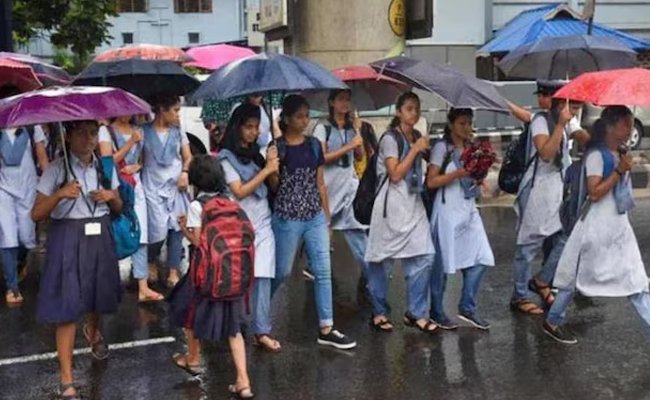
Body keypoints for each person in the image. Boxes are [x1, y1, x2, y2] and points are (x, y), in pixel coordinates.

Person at [543, 106, 650, 345]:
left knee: (634, 281)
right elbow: (594, 192)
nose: (631, 129)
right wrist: (619, 171)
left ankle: (552, 319)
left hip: (617, 226)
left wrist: (623, 165)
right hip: (597, 227)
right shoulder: (596, 155)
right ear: (611, 126)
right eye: (626, 124)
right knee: (576, 276)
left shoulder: (619, 152)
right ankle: (552, 320)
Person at [32, 120, 122, 400]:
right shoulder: (58, 169)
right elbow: (36, 214)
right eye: (82, 133)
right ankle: (67, 378)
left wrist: (111, 197)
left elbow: (119, 207)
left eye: (93, 133)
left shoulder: (105, 167)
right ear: (68, 136)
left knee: (98, 295)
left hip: (100, 235)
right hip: (67, 236)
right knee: (66, 306)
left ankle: (93, 330)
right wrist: (60, 194)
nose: (89, 139)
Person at [270, 94, 357, 349]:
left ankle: (326, 326)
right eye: (299, 116)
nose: (305, 120)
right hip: (287, 217)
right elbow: (274, 185)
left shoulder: (314, 145)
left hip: (314, 216)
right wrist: (272, 168)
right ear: (286, 118)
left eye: (307, 115)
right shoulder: (278, 148)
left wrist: (326, 217)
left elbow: (320, 183)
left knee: (323, 270)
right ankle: (259, 315)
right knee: (282, 271)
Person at [169, 154, 254, 399]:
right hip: (233, 274)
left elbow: (198, 241)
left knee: (188, 311)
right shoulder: (229, 202)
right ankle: (243, 381)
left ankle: (193, 358)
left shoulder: (198, 206)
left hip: (205, 275)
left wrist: (185, 227)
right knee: (233, 329)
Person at [364, 91, 437, 334]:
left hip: (414, 204)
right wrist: (415, 149)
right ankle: (379, 311)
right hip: (391, 206)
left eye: (417, 108)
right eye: (408, 108)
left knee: (424, 255)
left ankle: (416, 311)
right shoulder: (389, 139)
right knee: (381, 262)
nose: (414, 113)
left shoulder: (417, 135)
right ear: (398, 112)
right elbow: (395, 174)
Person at [217, 103, 281, 352]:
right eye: (249, 127)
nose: (254, 133)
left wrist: (273, 166)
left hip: (263, 221)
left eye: (257, 127)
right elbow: (240, 191)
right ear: (237, 127)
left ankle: (261, 329)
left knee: (263, 275)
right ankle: (233, 323)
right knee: (240, 277)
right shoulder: (225, 158)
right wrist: (266, 170)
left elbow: (273, 186)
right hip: (238, 224)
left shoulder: (258, 155)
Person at [510, 98, 582, 315]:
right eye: (573, 105)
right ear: (559, 103)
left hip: (556, 190)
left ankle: (541, 280)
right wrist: (560, 125)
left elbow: (581, 135)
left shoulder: (569, 120)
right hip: (536, 191)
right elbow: (547, 154)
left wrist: (600, 141)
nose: (576, 110)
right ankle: (519, 296)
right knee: (528, 245)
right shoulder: (542, 121)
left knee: (567, 235)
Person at [426, 108, 494, 330]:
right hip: (447, 210)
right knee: (442, 265)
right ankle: (436, 311)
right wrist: (457, 174)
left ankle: (467, 305)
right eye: (462, 123)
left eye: (469, 123)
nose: (467, 127)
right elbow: (432, 182)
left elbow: (472, 175)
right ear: (452, 124)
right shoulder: (441, 148)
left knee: (482, 257)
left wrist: (478, 178)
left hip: (468, 207)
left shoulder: (472, 149)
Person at [98, 116, 163, 302]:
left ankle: (143, 286)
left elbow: (142, 157)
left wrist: (138, 165)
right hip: (116, 187)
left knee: (139, 232)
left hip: (135, 185)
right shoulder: (106, 131)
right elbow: (107, 160)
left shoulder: (138, 129)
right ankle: (107, 282)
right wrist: (130, 142)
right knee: (115, 232)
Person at [312, 89, 370, 292]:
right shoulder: (323, 127)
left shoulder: (352, 127)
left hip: (349, 185)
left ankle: (370, 270)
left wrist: (358, 131)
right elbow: (321, 157)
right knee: (323, 228)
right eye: (341, 99)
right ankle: (316, 268)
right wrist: (348, 146)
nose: (346, 103)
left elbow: (361, 155)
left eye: (348, 99)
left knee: (356, 228)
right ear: (331, 103)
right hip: (328, 184)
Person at [141, 95, 192, 288]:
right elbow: (138, 159)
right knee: (157, 230)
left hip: (176, 186)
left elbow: (187, 157)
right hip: (152, 188)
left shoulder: (179, 132)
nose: (179, 114)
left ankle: (173, 269)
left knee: (177, 227)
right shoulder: (143, 131)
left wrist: (185, 173)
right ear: (162, 109)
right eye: (176, 110)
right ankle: (150, 259)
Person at [0, 123, 49, 304]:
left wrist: (52, 183)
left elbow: (42, 156)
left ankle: (20, 263)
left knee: (25, 237)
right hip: (3, 189)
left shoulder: (31, 126)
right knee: (8, 237)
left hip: (28, 189)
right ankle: (12, 287)